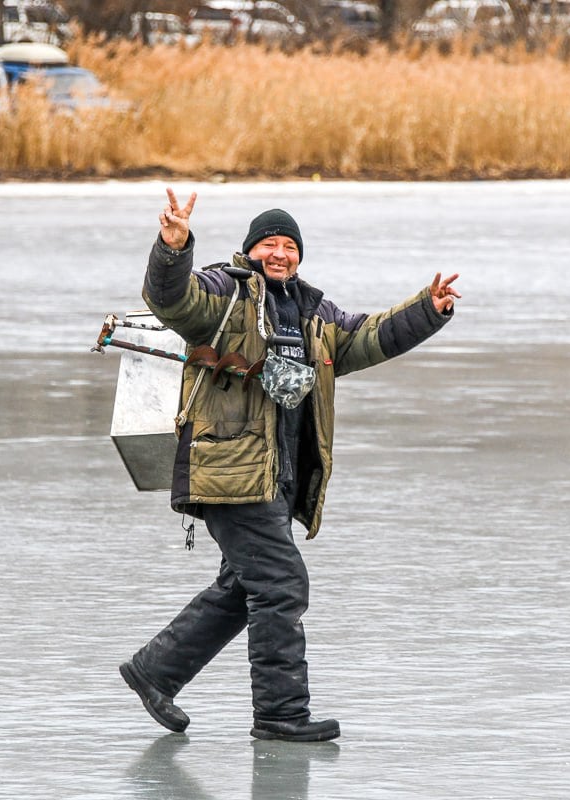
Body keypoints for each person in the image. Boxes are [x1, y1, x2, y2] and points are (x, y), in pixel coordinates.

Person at [120, 188, 459, 742]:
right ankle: (280, 715)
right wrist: (172, 246)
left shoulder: (315, 314)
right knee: (281, 586)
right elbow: (170, 299)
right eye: (269, 244)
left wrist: (429, 308)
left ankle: (156, 671)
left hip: (275, 479)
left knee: (243, 587)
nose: (280, 253)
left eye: (289, 246)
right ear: (250, 250)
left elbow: (370, 337)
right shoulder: (222, 293)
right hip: (231, 470)